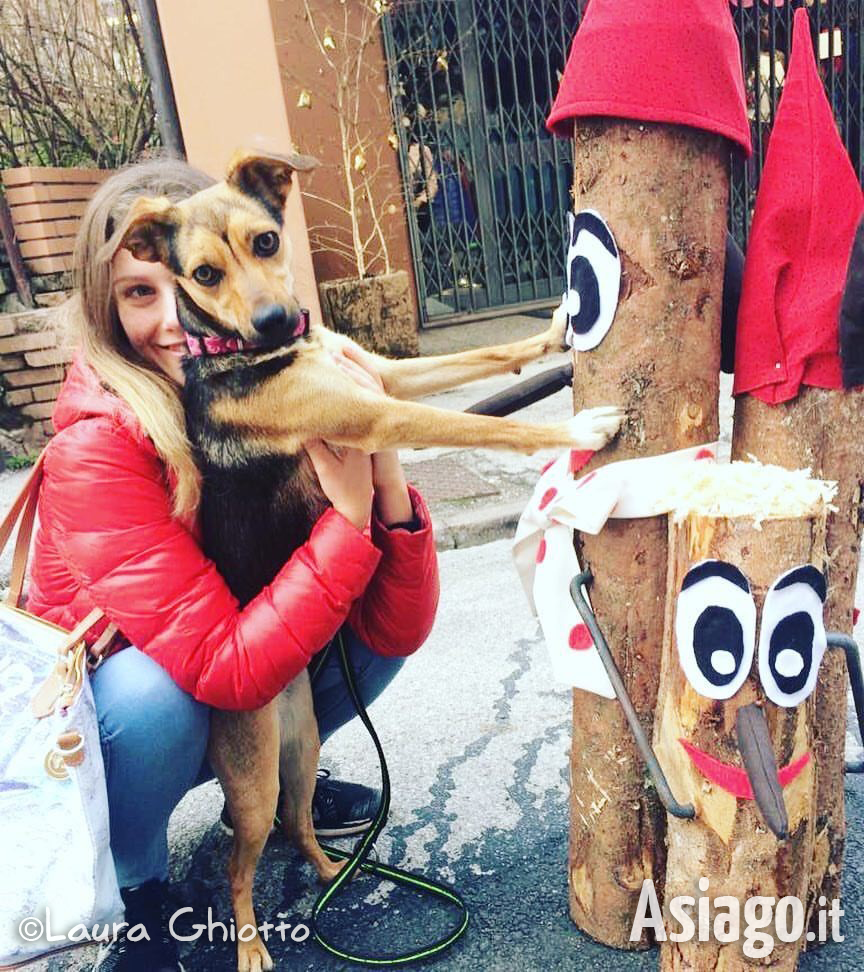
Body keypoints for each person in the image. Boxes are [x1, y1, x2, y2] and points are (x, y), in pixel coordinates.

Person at [26, 158, 439, 972]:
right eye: (142, 293)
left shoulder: (255, 380)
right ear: (105, 313)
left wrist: (382, 475)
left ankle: (289, 792)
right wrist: (346, 522)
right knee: (160, 694)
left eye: (201, 278)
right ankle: (135, 875)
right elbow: (218, 664)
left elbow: (400, 624)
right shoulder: (97, 444)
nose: (181, 314)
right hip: (108, 713)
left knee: (370, 626)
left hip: (227, 654)